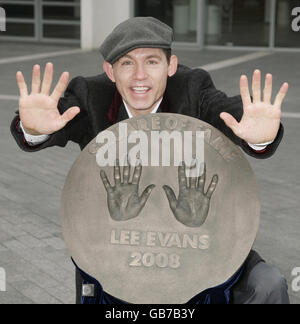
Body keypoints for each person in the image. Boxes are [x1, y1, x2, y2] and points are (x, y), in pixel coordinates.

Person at [11, 17, 290, 304]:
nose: (139, 76)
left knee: (267, 284)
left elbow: (225, 111)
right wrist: (33, 130)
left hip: (201, 240)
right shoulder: (91, 95)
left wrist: (258, 136)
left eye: (152, 62)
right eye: (127, 63)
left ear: (170, 66)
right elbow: (54, 118)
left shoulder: (192, 89)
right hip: (120, 246)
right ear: (110, 70)